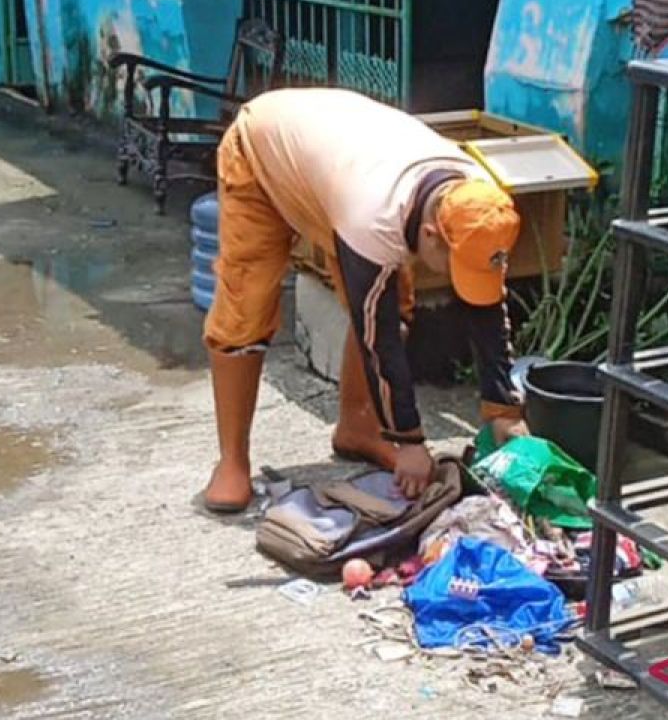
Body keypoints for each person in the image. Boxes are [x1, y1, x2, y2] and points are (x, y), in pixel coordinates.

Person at [201, 87, 527, 512]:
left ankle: (359, 428)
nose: (454, 279)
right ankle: (232, 462)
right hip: (262, 151)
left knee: (398, 298)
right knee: (248, 305)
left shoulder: (481, 203)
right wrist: (408, 439)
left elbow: (487, 311)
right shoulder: (374, 214)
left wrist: (503, 409)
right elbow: (379, 336)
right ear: (429, 235)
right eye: (453, 266)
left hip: (337, 162)